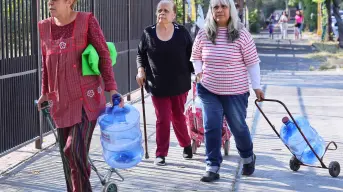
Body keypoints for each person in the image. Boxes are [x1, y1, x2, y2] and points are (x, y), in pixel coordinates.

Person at [36, 0, 123, 191]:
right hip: (60, 101)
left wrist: (112, 87)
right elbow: (46, 63)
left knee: (73, 150)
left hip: (86, 100)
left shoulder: (87, 21)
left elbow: (103, 54)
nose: (50, 2)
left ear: (69, 1)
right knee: (70, 161)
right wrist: (45, 93)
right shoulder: (44, 27)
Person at [191, 0, 264, 182]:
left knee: (237, 126)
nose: (219, 10)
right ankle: (212, 166)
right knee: (211, 126)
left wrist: (257, 86)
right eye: (215, 7)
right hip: (209, 89)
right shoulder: (204, 33)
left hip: (235, 91)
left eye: (223, 6)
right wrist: (198, 71)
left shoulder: (241, 34)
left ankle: (248, 157)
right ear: (211, 11)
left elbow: (253, 62)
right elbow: (196, 56)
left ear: (230, 9)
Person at [136, 0, 194, 166]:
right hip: (157, 83)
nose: (162, 13)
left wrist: (197, 73)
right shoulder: (148, 33)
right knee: (163, 118)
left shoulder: (182, 33)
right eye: (159, 10)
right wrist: (141, 70)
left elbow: (192, 55)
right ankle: (161, 153)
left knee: (177, 117)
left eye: (166, 10)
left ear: (174, 15)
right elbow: (140, 54)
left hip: (179, 83)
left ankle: (186, 144)